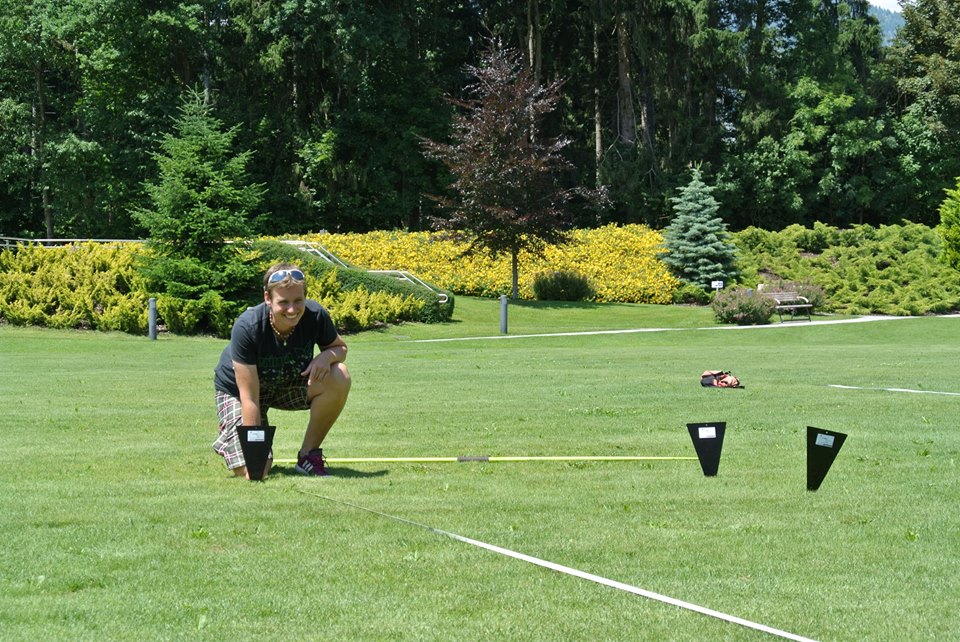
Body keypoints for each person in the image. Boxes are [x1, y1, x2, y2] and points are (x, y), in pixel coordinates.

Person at [213, 263, 351, 478]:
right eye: (283, 302)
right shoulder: (247, 327)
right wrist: (255, 455)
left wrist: (327, 356)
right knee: (254, 470)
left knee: (339, 374)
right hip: (241, 393)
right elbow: (249, 398)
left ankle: (308, 456)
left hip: (285, 385)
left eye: (298, 301)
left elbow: (339, 348)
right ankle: (232, 435)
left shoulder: (315, 315)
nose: (292, 310)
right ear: (267, 298)